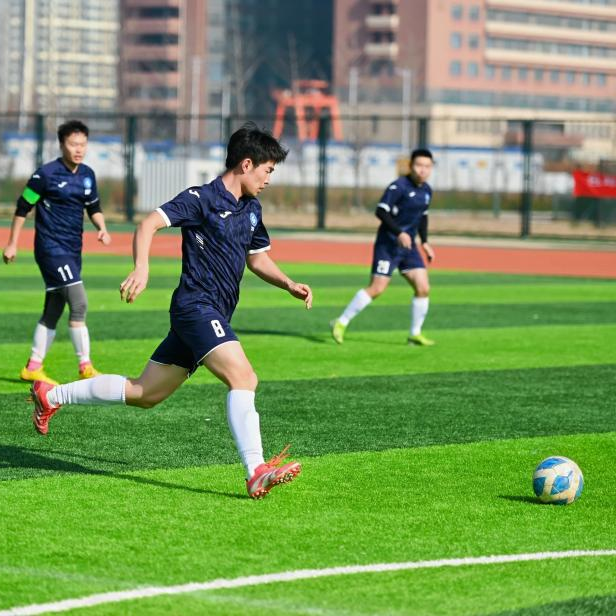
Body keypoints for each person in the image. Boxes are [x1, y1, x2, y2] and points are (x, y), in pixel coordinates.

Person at [28, 123, 312, 499]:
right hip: (196, 308)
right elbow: (148, 224)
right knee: (244, 377)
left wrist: (288, 283)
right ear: (246, 164)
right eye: (267, 170)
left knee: (145, 393)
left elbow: (257, 258)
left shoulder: (251, 209)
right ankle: (255, 469)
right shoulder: (201, 198)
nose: (269, 179)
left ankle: (52, 395)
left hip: (210, 315)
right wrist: (141, 267)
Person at [3, 120, 110, 385]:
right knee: (79, 303)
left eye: (83, 144)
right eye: (73, 144)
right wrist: (12, 243)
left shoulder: (87, 174)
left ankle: (33, 366)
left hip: (73, 250)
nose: (79, 149)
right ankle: (85, 366)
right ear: (62, 144)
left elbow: (93, 206)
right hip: (50, 249)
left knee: (54, 308)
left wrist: (102, 227)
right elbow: (23, 207)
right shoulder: (45, 175)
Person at [331, 148, 436, 346]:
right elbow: (381, 211)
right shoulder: (398, 187)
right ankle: (341, 321)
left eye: (427, 166)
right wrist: (399, 233)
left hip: (409, 247)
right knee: (377, 288)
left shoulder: (427, 190)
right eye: (419, 165)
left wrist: (425, 242)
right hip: (388, 245)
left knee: (423, 288)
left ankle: (414, 334)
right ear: (411, 166)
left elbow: (422, 217)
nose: (423, 170)